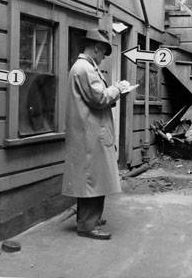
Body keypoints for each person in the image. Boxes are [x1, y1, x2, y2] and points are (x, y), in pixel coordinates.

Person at [61, 29, 129, 240]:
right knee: (93, 179)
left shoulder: (84, 67)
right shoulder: (85, 68)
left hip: (89, 131)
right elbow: (99, 98)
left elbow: (96, 97)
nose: (102, 59)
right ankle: (87, 225)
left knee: (92, 178)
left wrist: (114, 92)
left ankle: (88, 219)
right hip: (89, 134)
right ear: (97, 48)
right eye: (103, 54)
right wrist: (118, 88)